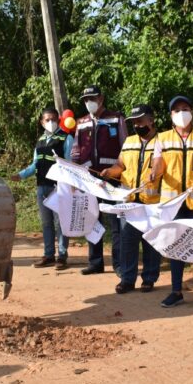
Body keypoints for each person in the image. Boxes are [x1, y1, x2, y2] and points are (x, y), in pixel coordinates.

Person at [151, 95, 193, 309]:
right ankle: (176, 291)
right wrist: (154, 173)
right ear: (171, 115)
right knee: (176, 247)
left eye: (185, 108)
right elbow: (158, 163)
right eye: (176, 109)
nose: (181, 112)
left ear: (192, 112)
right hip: (173, 204)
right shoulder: (163, 138)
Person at [100, 104, 162, 294]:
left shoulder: (163, 142)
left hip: (153, 201)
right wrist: (110, 172)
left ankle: (149, 278)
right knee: (128, 240)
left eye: (140, 121)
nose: (137, 125)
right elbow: (121, 165)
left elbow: (164, 167)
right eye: (134, 122)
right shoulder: (129, 141)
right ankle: (127, 279)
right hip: (128, 200)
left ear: (151, 121)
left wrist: (155, 172)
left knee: (151, 241)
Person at [70, 85, 127, 275]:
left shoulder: (116, 118)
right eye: (86, 100)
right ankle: (96, 262)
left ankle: (119, 264)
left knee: (115, 222)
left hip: (111, 178)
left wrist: (116, 171)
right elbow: (76, 151)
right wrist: (75, 176)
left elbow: (125, 148)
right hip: (89, 179)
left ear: (101, 98)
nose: (89, 103)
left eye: (92, 98)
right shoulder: (81, 122)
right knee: (92, 220)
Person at [11, 107, 74, 270]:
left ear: (59, 120)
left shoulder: (66, 138)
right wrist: (21, 175)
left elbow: (69, 164)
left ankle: (62, 256)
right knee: (46, 223)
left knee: (60, 222)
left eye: (54, 119)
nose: (50, 122)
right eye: (47, 120)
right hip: (42, 187)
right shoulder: (39, 141)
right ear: (41, 122)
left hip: (58, 187)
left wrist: (71, 185)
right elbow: (35, 165)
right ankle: (48, 255)